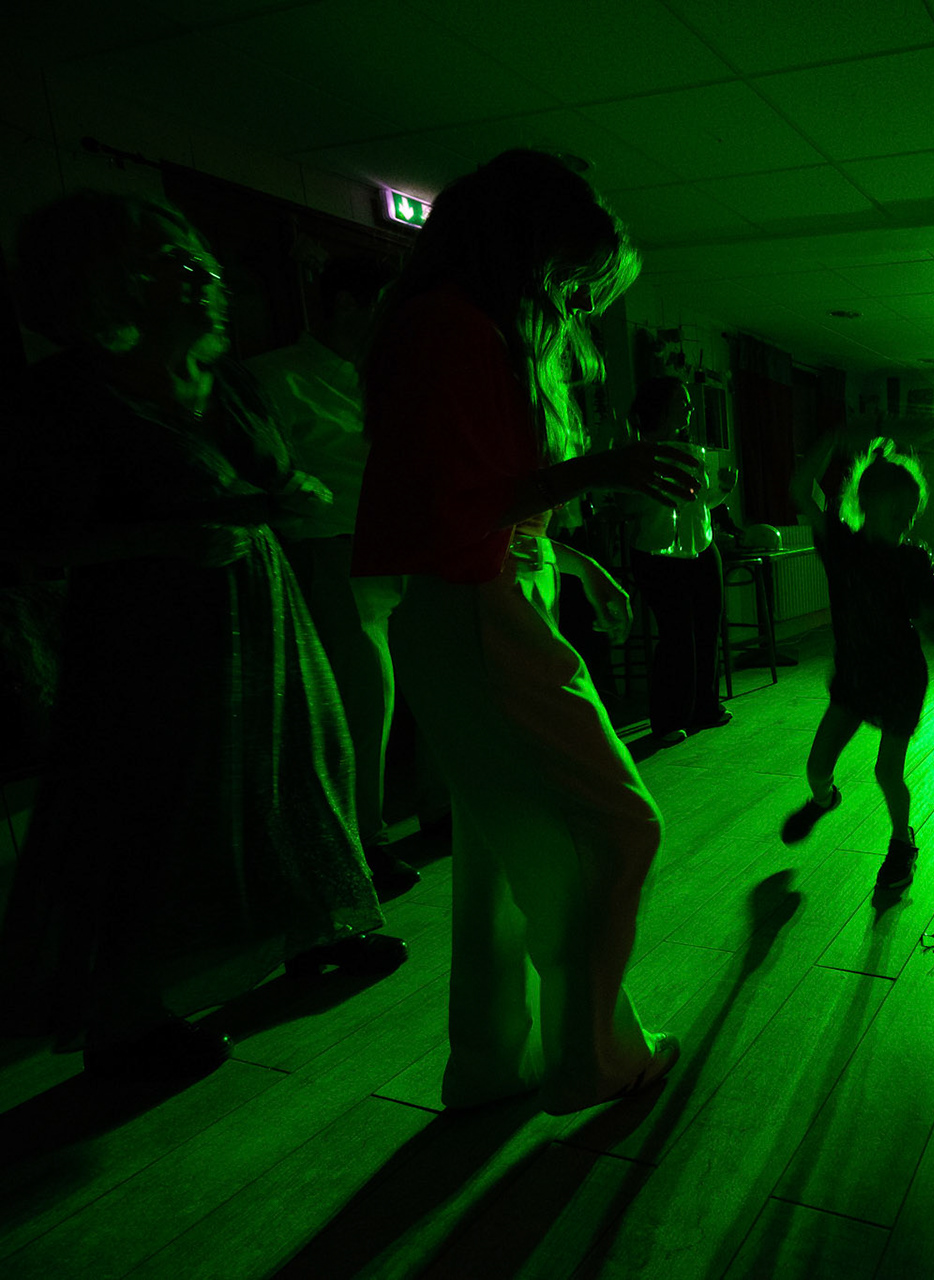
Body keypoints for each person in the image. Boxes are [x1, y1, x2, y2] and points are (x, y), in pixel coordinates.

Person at [0, 192, 405, 1081]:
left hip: (260, 610)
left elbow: (275, 480)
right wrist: (161, 538)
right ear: (105, 284)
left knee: (294, 770)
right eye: (174, 266)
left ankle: (315, 930)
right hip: (146, 635)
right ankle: (126, 1020)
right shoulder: (64, 395)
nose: (203, 280)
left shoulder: (224, 382)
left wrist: (292, 495)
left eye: (203, 264)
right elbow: (32, 542)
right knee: (158, 812)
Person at [354, 150, 697, 1114]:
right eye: (573, 277)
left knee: (503, 853)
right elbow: (455, 512)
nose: (577, 302)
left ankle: (491, 1064)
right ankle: (592, 1057)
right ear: (524, 248)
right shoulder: (456, 329)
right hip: (478, 609)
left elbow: (471, 501)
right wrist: (598, 472)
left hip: (475, 600)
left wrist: (575, 561)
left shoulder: (454, 326)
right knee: (621, 827)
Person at [248, 255, 422, 900]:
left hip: (408, 555)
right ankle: (360, 845)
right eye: (387, 306)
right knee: (362, 706)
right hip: (337, 554)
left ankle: (435, 811)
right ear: (348, 302)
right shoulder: (273, 377)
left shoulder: (387, 377)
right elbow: (264, 479)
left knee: (419, 695)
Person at [780, 430, 934, 892]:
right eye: (897, 511)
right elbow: (799, 489)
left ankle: (902, 841)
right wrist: (832, 436)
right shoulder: (841, 545)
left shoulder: (913, 560)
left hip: (900, 678)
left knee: (886, 772)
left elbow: (931, 624)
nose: (904, 522)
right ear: (867, 503)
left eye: (910, 514)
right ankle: (824, 799)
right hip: (855, 677)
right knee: (816, 767)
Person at [623, 375, 735, 744]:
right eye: (682, 401)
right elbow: (632, 506)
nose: (690, 408)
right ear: (661, 406)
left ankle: (706, 708)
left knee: (707, 630)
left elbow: (698, 506)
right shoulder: (638, 452)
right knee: (676, 637)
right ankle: (668, 721)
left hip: (701, 548)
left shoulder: (692, 450)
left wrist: (723, 491)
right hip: (657, 553)